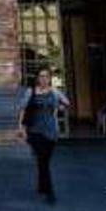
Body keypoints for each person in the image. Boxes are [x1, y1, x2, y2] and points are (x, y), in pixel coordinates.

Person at [17, 67, 70, 204]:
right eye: (41, 76)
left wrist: (60, 108)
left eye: (46, 76)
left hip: (51, 131)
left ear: (50, 78)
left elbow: (66, 103)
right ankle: (49, 193)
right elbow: (23, 109)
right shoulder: (31, 92)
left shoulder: (54, 91)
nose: (44, 79)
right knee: (43, 161)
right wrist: (20, 127)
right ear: (37, 78)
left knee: (44, 161)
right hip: (35, 131)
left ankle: (41, 185)